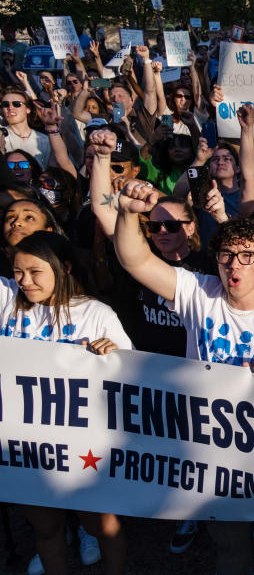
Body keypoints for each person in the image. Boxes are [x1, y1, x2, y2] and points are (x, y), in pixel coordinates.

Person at [111, 175, 254, 574]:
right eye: (226, 254)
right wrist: (126, 213)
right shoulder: (198, 291)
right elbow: (135, 261)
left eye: (246, 256)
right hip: (215, 452)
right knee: (231, 549)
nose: (233, 264)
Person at [2, 231, 132, 575]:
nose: (24, 281)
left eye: (34, 272)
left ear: (65, 268)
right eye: (17, 272)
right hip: (25, 445)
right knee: (45, 528)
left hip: (82, 445)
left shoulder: (96, 313)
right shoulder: (6, 300)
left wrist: (114, 357)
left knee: (102, 526)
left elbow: (133, 379)